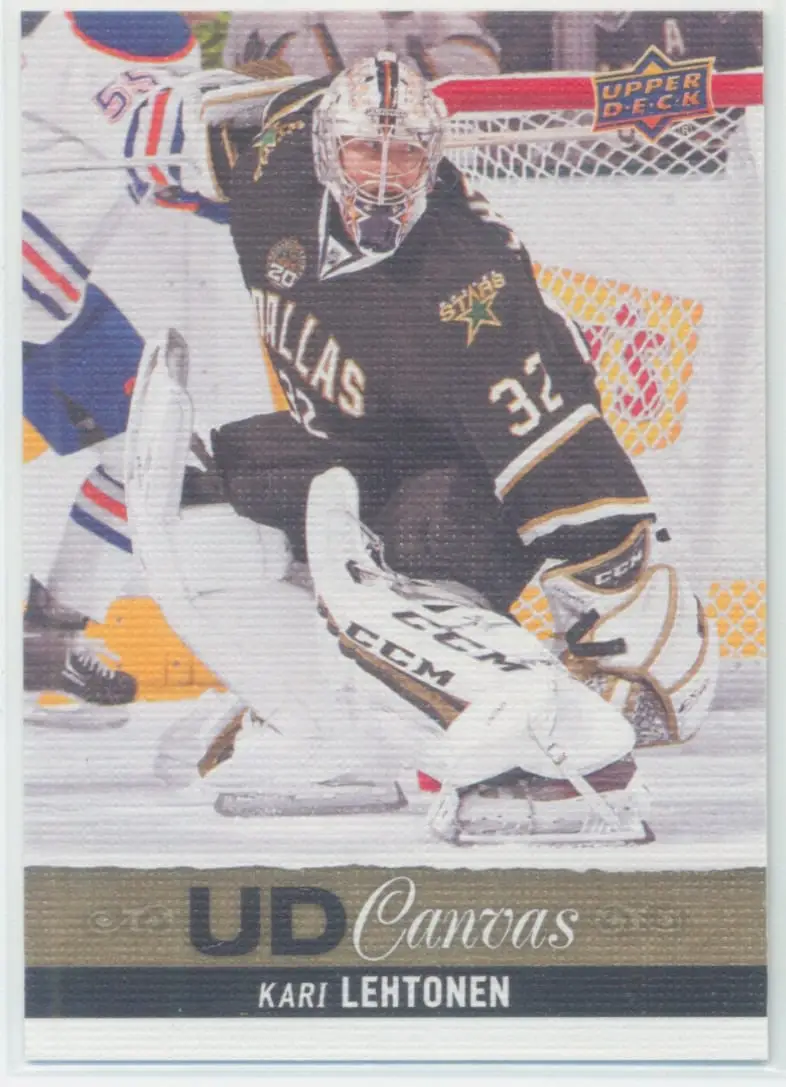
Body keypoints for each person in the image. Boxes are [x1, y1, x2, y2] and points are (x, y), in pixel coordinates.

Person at [124, 53, 717, 843]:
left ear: (432, 159)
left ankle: (562, 752)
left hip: (471, 475)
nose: (382, 175)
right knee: (219, 491)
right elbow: (237, 119)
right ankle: (319, 722)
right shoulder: (278, 164)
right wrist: (173, 114)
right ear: (325, 147)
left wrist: (622, 618)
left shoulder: (469, 290)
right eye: (365, 149)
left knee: (403, 552)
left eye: (405, 154)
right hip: (379, 442)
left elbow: (569, 463)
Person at [21, 11, 266, 721]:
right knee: (150, 454)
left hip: (43, 292)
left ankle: (46, 644)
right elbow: (176, 141)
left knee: (150, 453)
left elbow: (172, 174)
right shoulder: (117, 22)